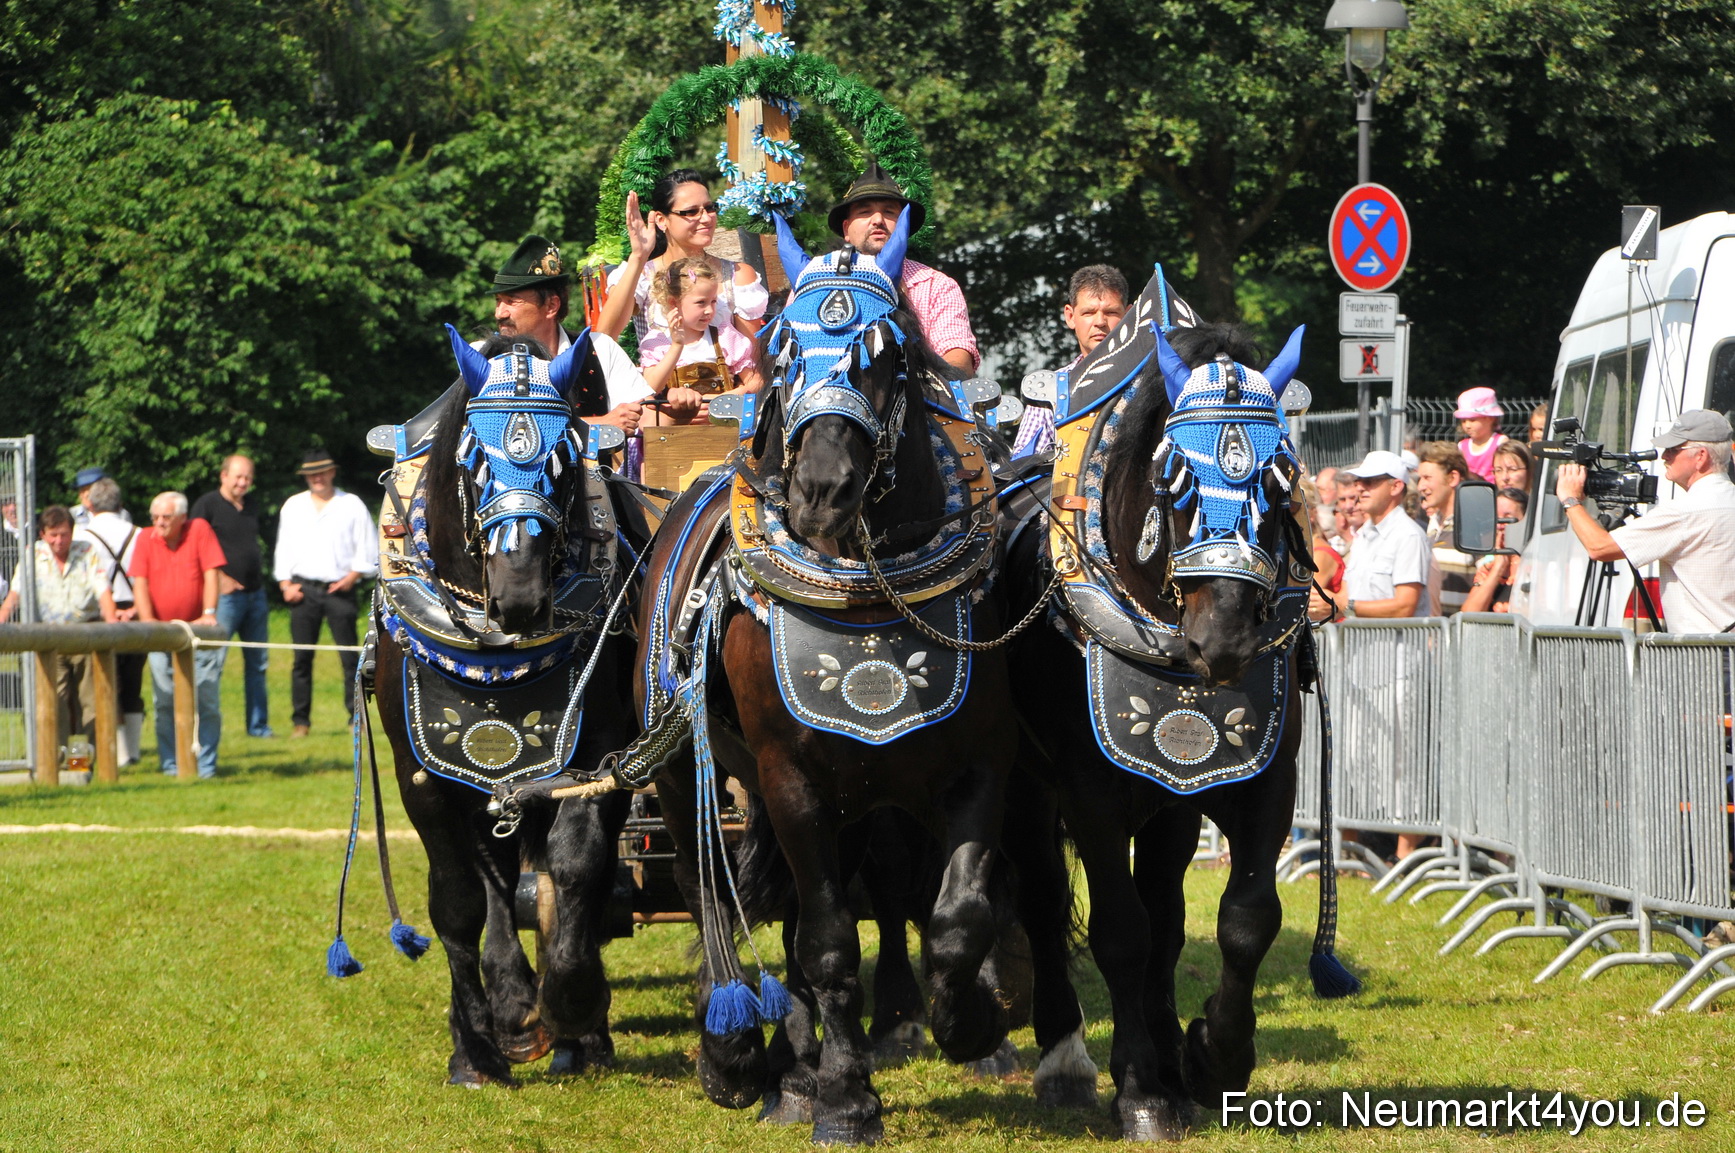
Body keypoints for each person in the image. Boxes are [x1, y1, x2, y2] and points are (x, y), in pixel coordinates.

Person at [1555, 409, 1735, 633]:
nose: (1664, 456)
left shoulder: (1686, 512)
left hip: (1705, 655)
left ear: (1701, 456)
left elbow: (1599, 548)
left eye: (1673, 449)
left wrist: (1570, 500)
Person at [488, 234, 653, 434]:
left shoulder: (599, 348)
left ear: (551, 305)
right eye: (498, 301)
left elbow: (646, 418)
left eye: (511, 301)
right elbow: (495, 429)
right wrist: (598, 424)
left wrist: (679, 409)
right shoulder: (483, 356)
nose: (500, 313)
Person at [830, 162, 980, 373]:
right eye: (865, 212)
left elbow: (957, 356)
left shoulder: (937, 286)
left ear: (904, 226)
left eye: (889, 212)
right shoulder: (816, 279)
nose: (878, 220)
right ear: (847, 228)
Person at [598, 169, 769, 347]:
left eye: (710, 208)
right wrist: (638, 257)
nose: (705, 218)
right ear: (661, 220)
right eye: (691, 212)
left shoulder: (738, 276)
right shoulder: (642, 275)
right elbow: (605, 335)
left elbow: (751, 360)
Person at [275, 449, 377, 736]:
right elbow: (283, 547)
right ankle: (301, 722)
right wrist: (285, 584)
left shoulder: (351, 504)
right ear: (306, 477)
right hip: (303, 590)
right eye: (311, 474)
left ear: (332, 472)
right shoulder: (293, 505)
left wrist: (353, 576)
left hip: (339, 590)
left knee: (349, 659)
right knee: (301, 660)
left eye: (322, 472)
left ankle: (354, 718)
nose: (317, 478)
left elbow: (367, 547)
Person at [0, 506, 115, 753]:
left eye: (64, 534)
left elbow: (103, 590)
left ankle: (88, 759)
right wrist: (2, 619)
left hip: (86, 635)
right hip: (50, 638)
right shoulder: (32, 554)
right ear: (42, 534)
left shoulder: (86, 552)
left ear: (72, 533)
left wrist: (112, 625)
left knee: (90, 701)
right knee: (55, 701)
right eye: (53, 535)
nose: (59, 541)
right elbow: (15, 593)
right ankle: (57, 759)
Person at [130, 492, 225, 778]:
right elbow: (140, 583)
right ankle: (171, 764)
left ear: (182, 518)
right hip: (161, 634)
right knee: (164, 700)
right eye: (155, 517)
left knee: (206, 698)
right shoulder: (145, 538)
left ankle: (206, 767)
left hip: (198, 632)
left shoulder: (199, 530)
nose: (159, 523)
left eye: (166, 517)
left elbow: (212, 573)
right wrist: (148, 623)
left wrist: (209, 612)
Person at [191, 455, 273, 738]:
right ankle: (203, 727)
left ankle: (258, 727)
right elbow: (195, 550)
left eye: (248, 478)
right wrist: (220, 580)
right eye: (238, 477)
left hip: (255, 596)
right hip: (224, 599)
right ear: (223, 476)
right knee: (212, 662)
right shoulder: (207, 505)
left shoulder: (251, 505)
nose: (243, 483)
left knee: (258, 664)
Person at [1011, 264, 1129, 458]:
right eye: (1088, 313)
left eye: (1111, 312)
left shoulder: (1153, 381)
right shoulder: (1048, 390)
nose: (1100, 322)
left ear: (1128, 315)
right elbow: (1025, 472)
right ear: (1070, 316)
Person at [636, 257, 763, 426]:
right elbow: (651, 388)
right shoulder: (657, 342)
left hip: (724, 426)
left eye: (713, 301)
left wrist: (727, 398)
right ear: (673, 302)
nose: (709, 310)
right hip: (676, 430)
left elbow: (756, 381)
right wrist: (676, 346)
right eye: (701, 303)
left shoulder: (723, 335)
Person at [75, 477, 146, 764]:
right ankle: (135, 751)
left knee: (106, 683)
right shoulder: (139, 533)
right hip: (136, 608)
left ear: (90, 503)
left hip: (100, 613)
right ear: (120, 503)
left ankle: (117, 755)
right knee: (133, 681)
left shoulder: (83, 536)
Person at [1415, 442, 1475, 616]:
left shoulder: (1474, 525)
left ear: (1452, 478)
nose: (1420, 486)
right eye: (1420, 479)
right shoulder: (1432, 526)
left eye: (1427, 478)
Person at [1461, 488, 1529, 614]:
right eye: (1496, 517)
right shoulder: (1489, 566)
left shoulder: (1535, 566)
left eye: (1508, 517)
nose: (1500, 524)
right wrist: (1498, 569)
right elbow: (1468, 614)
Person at [1454, 387, 1508, 482]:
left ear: (1490, 418)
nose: (1467, 425)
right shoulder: (1462, 446)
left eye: (1472, 420)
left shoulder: (1500, 442)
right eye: (1463, 421)